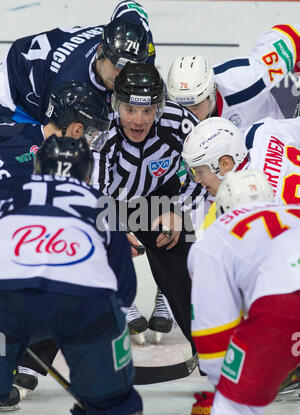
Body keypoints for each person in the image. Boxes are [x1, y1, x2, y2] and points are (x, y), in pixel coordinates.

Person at [0, 134, 147, 415]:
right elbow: (124, 290)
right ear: (88, 173)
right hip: (86, 306)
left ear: (38, 167)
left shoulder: (8, 193)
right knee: (115, 410)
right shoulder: (102, 204)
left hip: (8, 304)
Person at [0, 80, 111, 406]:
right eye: (91, 132)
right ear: (76, 129)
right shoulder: (61, 169)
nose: (92, 141)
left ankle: (16, 363)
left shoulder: (14, 129)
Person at [188, 169, 300, 415]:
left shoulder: (215, 236)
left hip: (283, 304)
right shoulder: (293, 210)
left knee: (232, 413)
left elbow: (214, 332)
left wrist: (224, 390)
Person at [99, 61, 202, 351]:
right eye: (130, 109)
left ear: (159, 106)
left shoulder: (179, 123)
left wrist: (179, 211)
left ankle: (210, 350)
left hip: (159, 201)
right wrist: (114, 229)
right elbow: (90, 191)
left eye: (147, 110)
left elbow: (204, 170)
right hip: (109, 202)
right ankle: (25, 361)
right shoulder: (100, 126)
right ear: (116, 103)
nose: (138, 120)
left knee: (184, 262)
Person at [0, 2, 153, 124]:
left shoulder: (138, 41)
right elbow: (57, 141)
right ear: (100, 52)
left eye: (131, 67)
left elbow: (129, 7)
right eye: (117, 66)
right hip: (13, 92)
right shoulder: (69, 85)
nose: (123, 76)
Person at [167, 24, 300, 129]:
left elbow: (292, 36)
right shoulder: (167, 116)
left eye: (195, 106)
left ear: (212, 91)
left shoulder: (246, 80)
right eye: (181, 108)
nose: (188, 115)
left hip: (272, 148)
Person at [181, 115, 300, 208]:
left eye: (199, 171)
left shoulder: (242, 203)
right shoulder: (261, 130)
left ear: (225, 164)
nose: (197, 179)